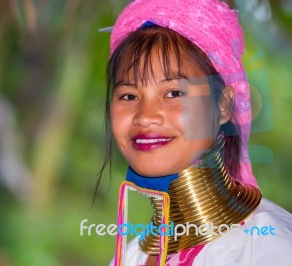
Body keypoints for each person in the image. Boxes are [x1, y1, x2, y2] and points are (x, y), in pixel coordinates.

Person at [100, 0, 292, 265]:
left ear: (223, 106)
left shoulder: (267, 247)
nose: (145, 116)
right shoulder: (131, 255)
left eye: (174, 93)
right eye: (129, 95)